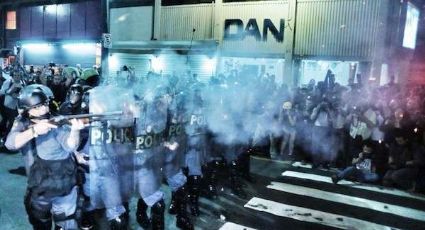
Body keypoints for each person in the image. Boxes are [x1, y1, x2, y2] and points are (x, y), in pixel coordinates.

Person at [5, 85, 84, 229]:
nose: (44, 110)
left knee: (66, 221)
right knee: (41, 222)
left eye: (46, 105)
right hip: (38, 188)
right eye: (39, 107)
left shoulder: (56, 121)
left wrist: (75, 131)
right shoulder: (22, 122)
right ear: (28, 110)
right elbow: (10, 144)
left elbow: (70, 145)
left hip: (64, 185)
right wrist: (35, 130)